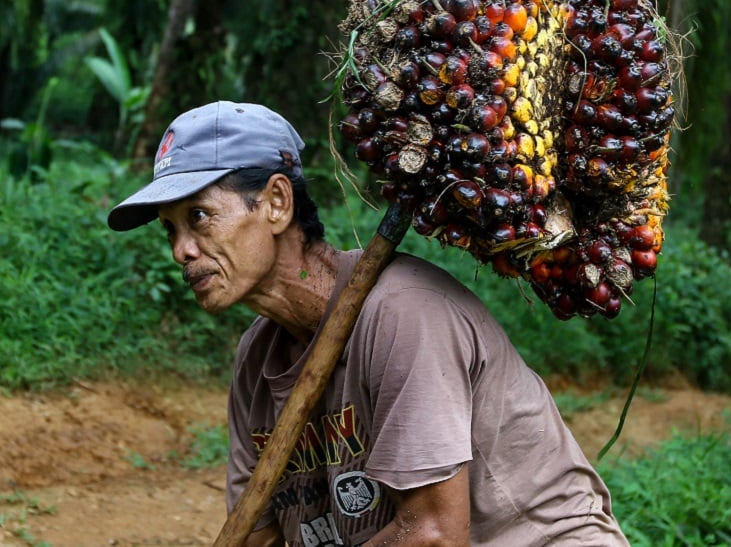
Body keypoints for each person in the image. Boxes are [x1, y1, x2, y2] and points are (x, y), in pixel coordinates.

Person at [108, 100, 630, 547]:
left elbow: (432, 535)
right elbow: (257, 535)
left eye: (199, 216)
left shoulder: (404, 315)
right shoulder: (257, 361)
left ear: (275, 203)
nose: (181, 250)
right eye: (170, 230)